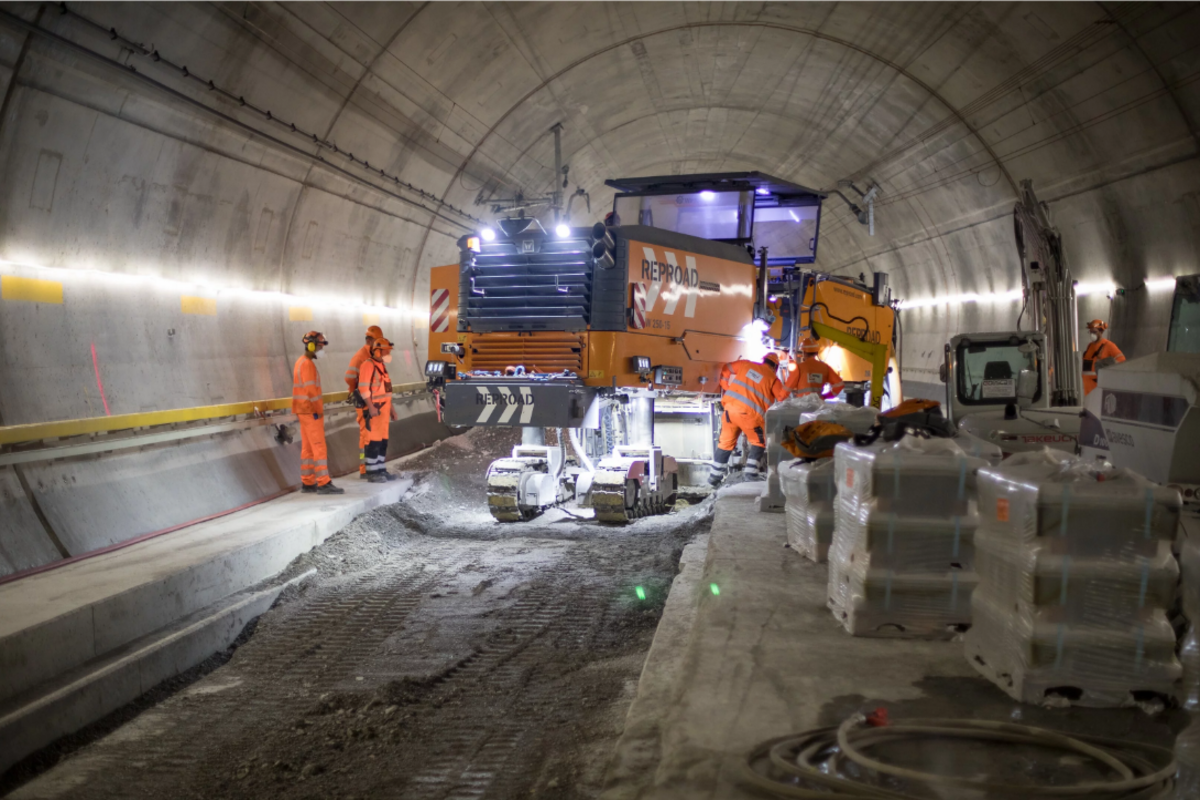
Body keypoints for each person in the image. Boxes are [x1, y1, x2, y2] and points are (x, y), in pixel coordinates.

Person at [709, 352, 790, 486]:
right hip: (750, 416)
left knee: (725, 443)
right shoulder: (774, 379)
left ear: (763, 360)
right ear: (775, 367)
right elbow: (781, 399)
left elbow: (726, 368)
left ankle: (714, 477)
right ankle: (750, 473)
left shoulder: (745, 364)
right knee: (759, 442)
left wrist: (726, 387)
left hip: (729, 410)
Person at [293, 331, 344, 494]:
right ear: (312, 345)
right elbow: (311, 391)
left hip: (302, 410)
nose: (322, 349)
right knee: (318, 446)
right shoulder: (307, 364)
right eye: (321, 345)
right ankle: (323, 482)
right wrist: (318, 410)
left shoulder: (300, 362)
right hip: (310, 411)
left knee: (307, 448)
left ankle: (307, 482)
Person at [345, 325, 385, 478]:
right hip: (364, 402)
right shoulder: (360, 356)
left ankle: (374, 466)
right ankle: (365, 468)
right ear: (369, 340)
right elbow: (349, 377)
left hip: (374, 402)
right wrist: (358, 391)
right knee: (366, 434)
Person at [359, 336, 399, 483]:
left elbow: (387, 393)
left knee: (383, 441)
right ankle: (372, 472)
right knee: (373, 441)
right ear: (377, 351)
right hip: (375, 410)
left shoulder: (382, 367)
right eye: (386, 351)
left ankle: (381, 469)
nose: (388, 354)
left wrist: (392, 410)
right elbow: (363, 388)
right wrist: (370, 407)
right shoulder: (368, 365)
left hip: (384, 411)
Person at [1082, 319, 1125, 396]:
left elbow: (1122, 361)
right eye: (1090, 332)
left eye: (1094, 332)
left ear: (1101, 332)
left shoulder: (1109, 345)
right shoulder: (1090, 346)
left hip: (1097, 388)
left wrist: (1106, 365)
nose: (1092, 334)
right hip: (1086, 388)